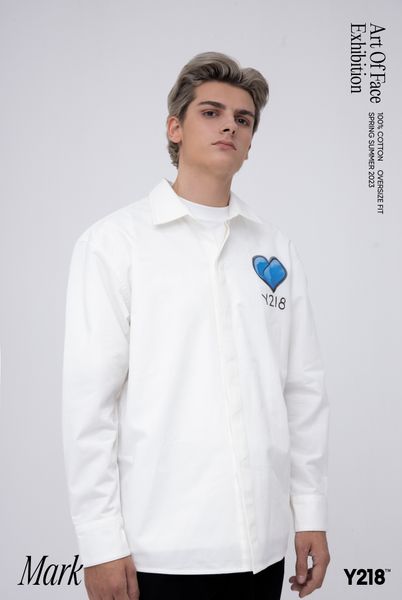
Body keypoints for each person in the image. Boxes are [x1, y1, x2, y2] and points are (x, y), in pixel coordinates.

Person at [62, 51, 330, 600]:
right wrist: (100, 542)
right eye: (212, 112)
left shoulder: (275, 248)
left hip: (262, 552)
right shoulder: (114, 245)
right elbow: (89, 405)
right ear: (175, 128)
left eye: (243, 119)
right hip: (157, 552)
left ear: (250, 143)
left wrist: (310, 512)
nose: (230, 125)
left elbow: (302, 390)